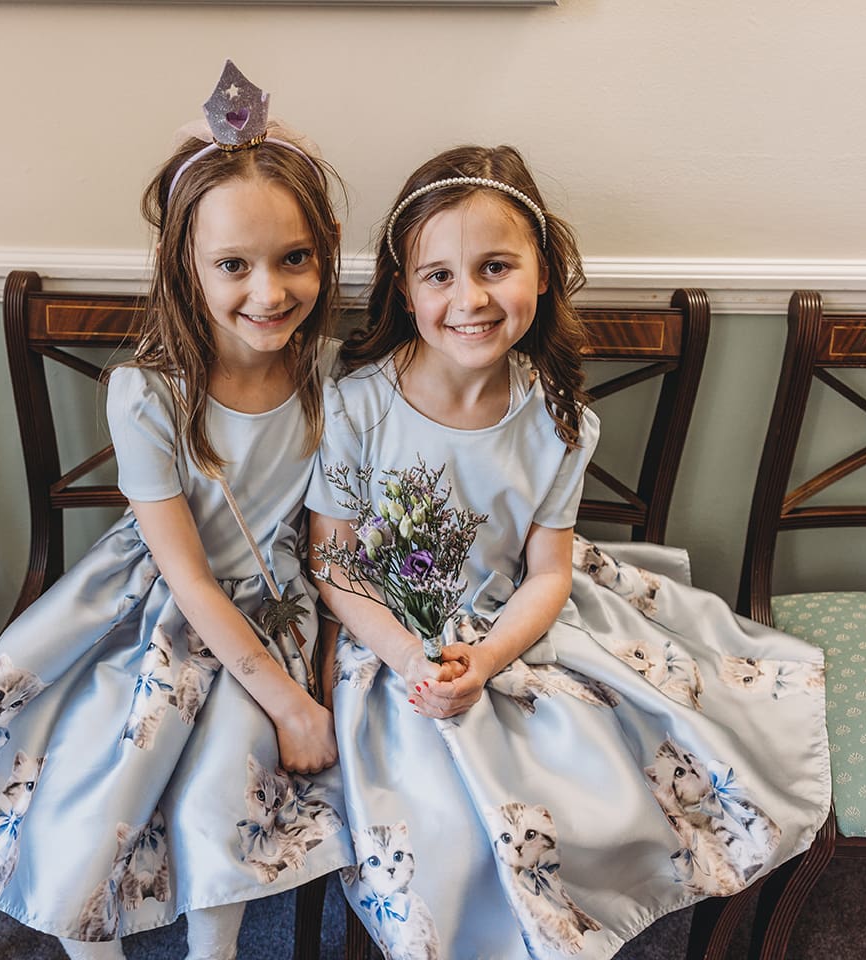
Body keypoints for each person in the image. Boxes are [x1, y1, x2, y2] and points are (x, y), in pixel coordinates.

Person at [308, 145, 830, 960]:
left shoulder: (556, 419)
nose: (469, 298)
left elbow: (548, 571)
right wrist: (416, 659)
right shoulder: (356, 407)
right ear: (404, 292)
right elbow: (335, 567)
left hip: (516, 617)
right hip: (390, 639)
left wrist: (484, 659)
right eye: (438, 275)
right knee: (441, 819)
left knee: (601, 779)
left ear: (542, 274)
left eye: (494, 267)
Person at [0, 62, 353, 960]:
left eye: (294, 259)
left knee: (229, 768)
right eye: (233, 264)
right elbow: (188, 575)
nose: (268, 293)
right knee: (106, 757)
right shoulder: (147, 393)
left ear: (326, 250)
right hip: (157, 603)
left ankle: (215, 950)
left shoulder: (330, 377)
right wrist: (292, 703)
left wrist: (298, 689)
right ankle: (93, 939)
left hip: (275, 604)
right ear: (185, 267)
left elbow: (325, 543)